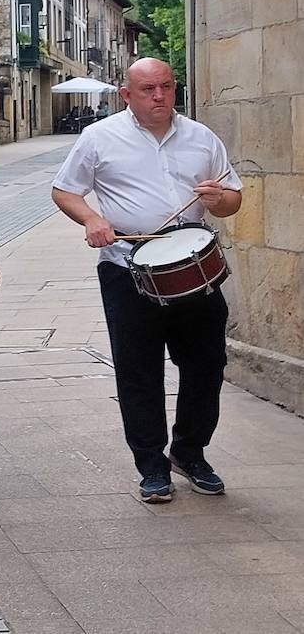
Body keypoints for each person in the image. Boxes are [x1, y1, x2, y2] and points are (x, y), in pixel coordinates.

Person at [52, 57, 241, 502]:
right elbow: (64, 190)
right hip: (127, 269)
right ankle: (152, 466)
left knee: (207, 365)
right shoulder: (99, 138)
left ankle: (190, 453)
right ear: (127, 95)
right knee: (139, 372)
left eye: (167, 87)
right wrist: (92, 219)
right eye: (148, 89)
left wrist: (220, 199)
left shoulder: (201, 138)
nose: (159, 97)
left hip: (194, 268)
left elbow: (232, 200)